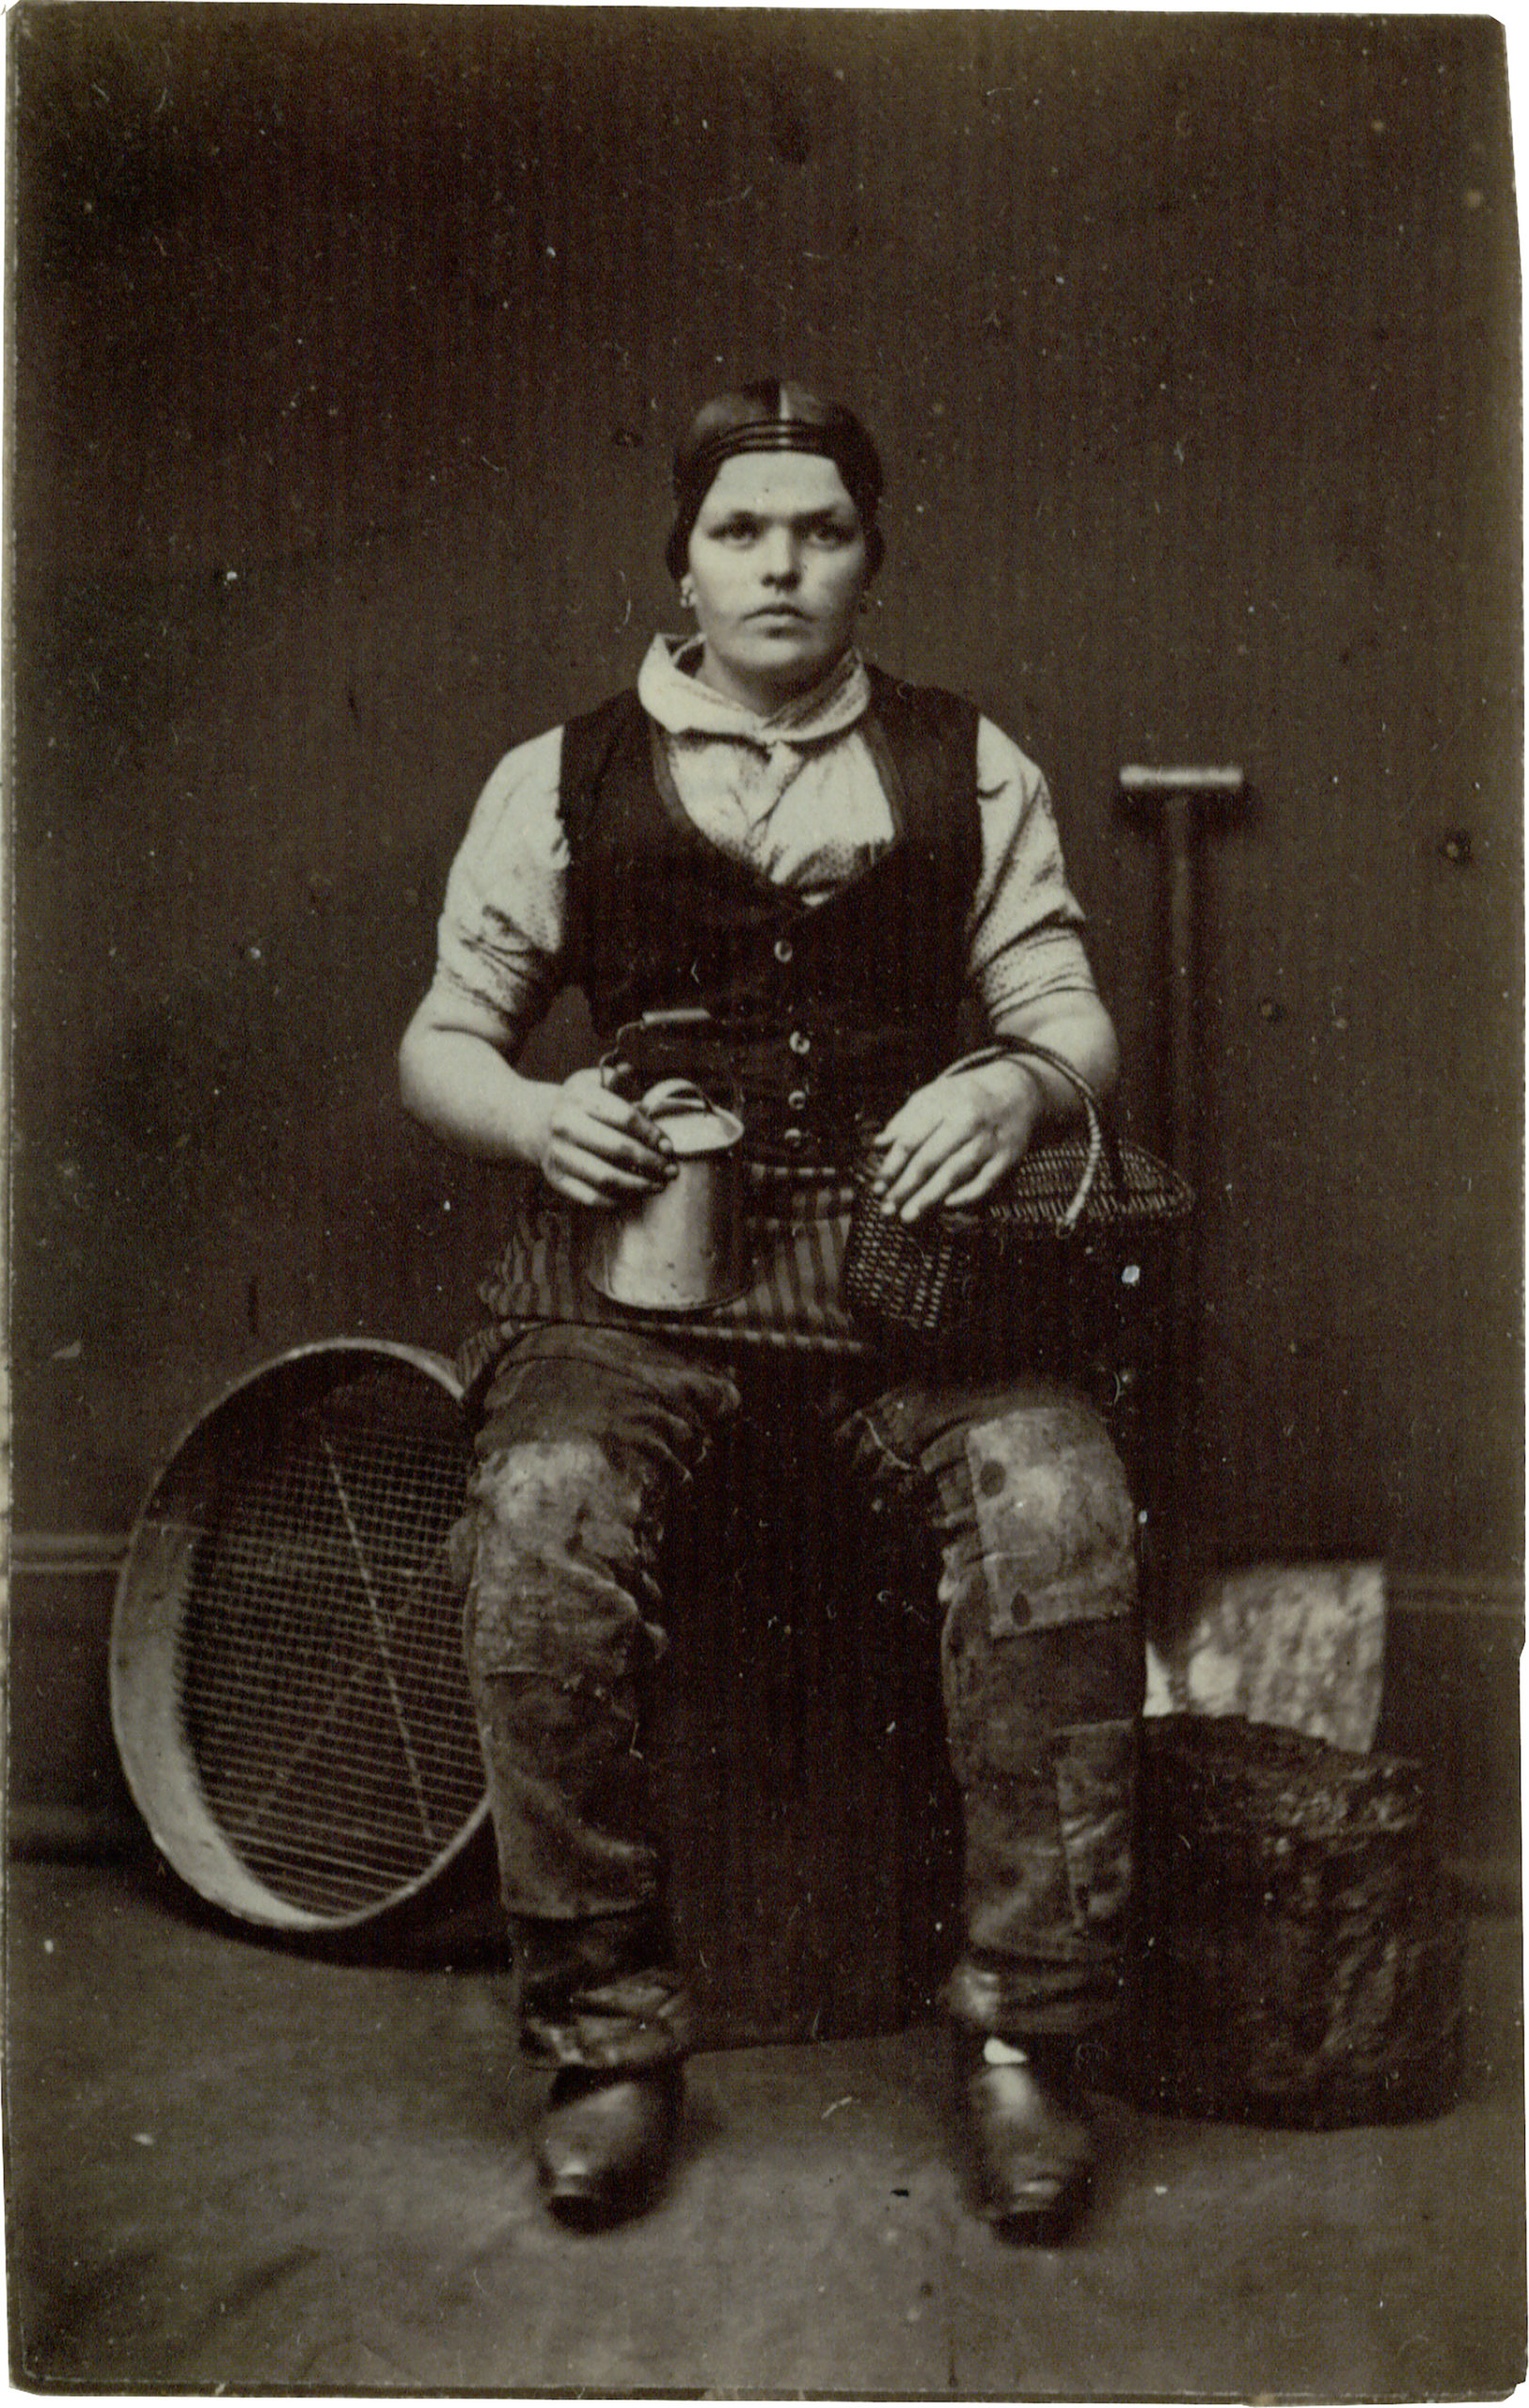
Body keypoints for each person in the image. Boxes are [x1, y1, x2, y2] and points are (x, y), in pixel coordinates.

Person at [399, 380, 1142, 2242]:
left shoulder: (970, 761)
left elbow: (1066, 1014)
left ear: (872, 555)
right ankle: (607, 2030)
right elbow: (440, 1043)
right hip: (639, 1280)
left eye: (820, 528)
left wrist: (1015, 1089)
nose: (783, 562)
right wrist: (538, 1113)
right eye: (744, 529)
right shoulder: (558, 774)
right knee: (540, 1522)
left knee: (1055, 1505)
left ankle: (1023, 2037)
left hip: (907, 1276)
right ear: (687, 559)